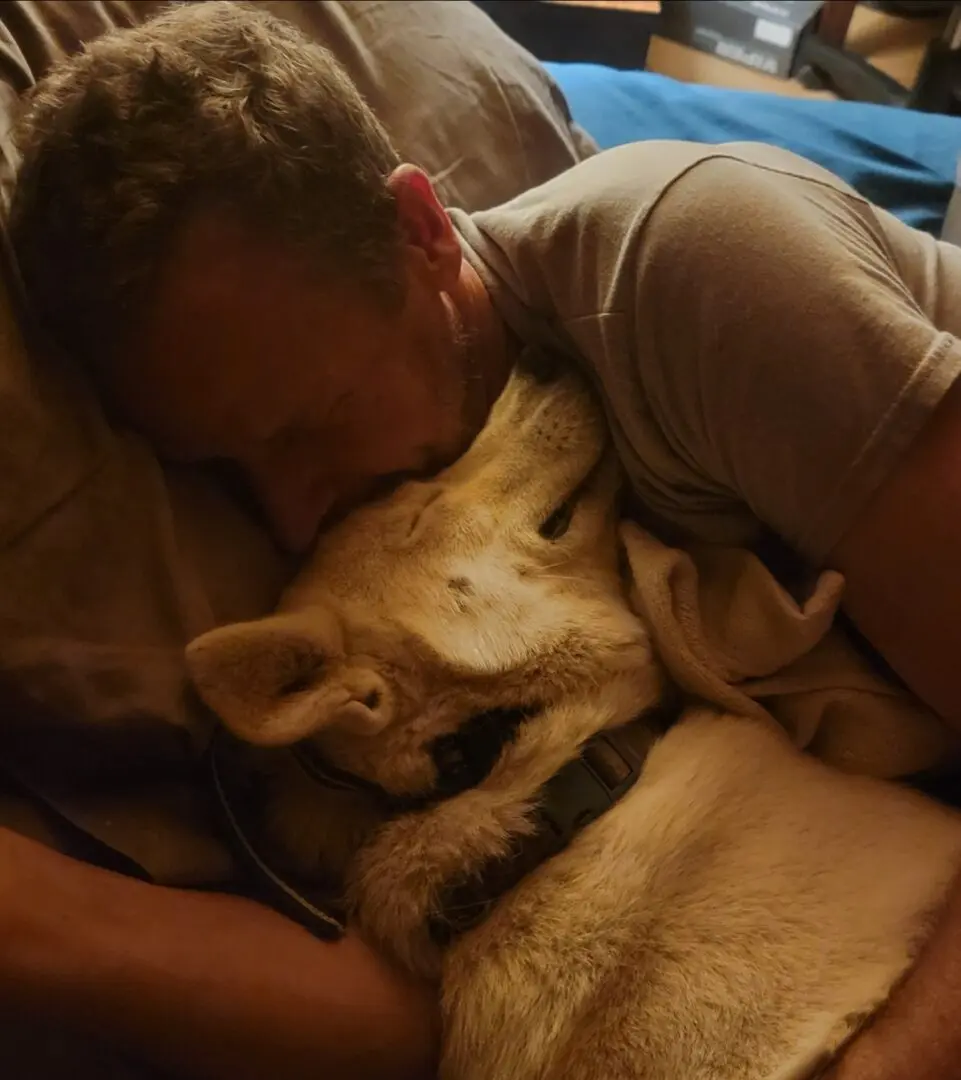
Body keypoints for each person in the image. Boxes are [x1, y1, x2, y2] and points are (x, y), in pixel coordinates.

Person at [5, 3, 961, 1079]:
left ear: (418, 229)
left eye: (307, 425)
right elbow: (425, 995)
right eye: (225, 470)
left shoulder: (689, 272)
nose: (286, 518)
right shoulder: (406, 551)